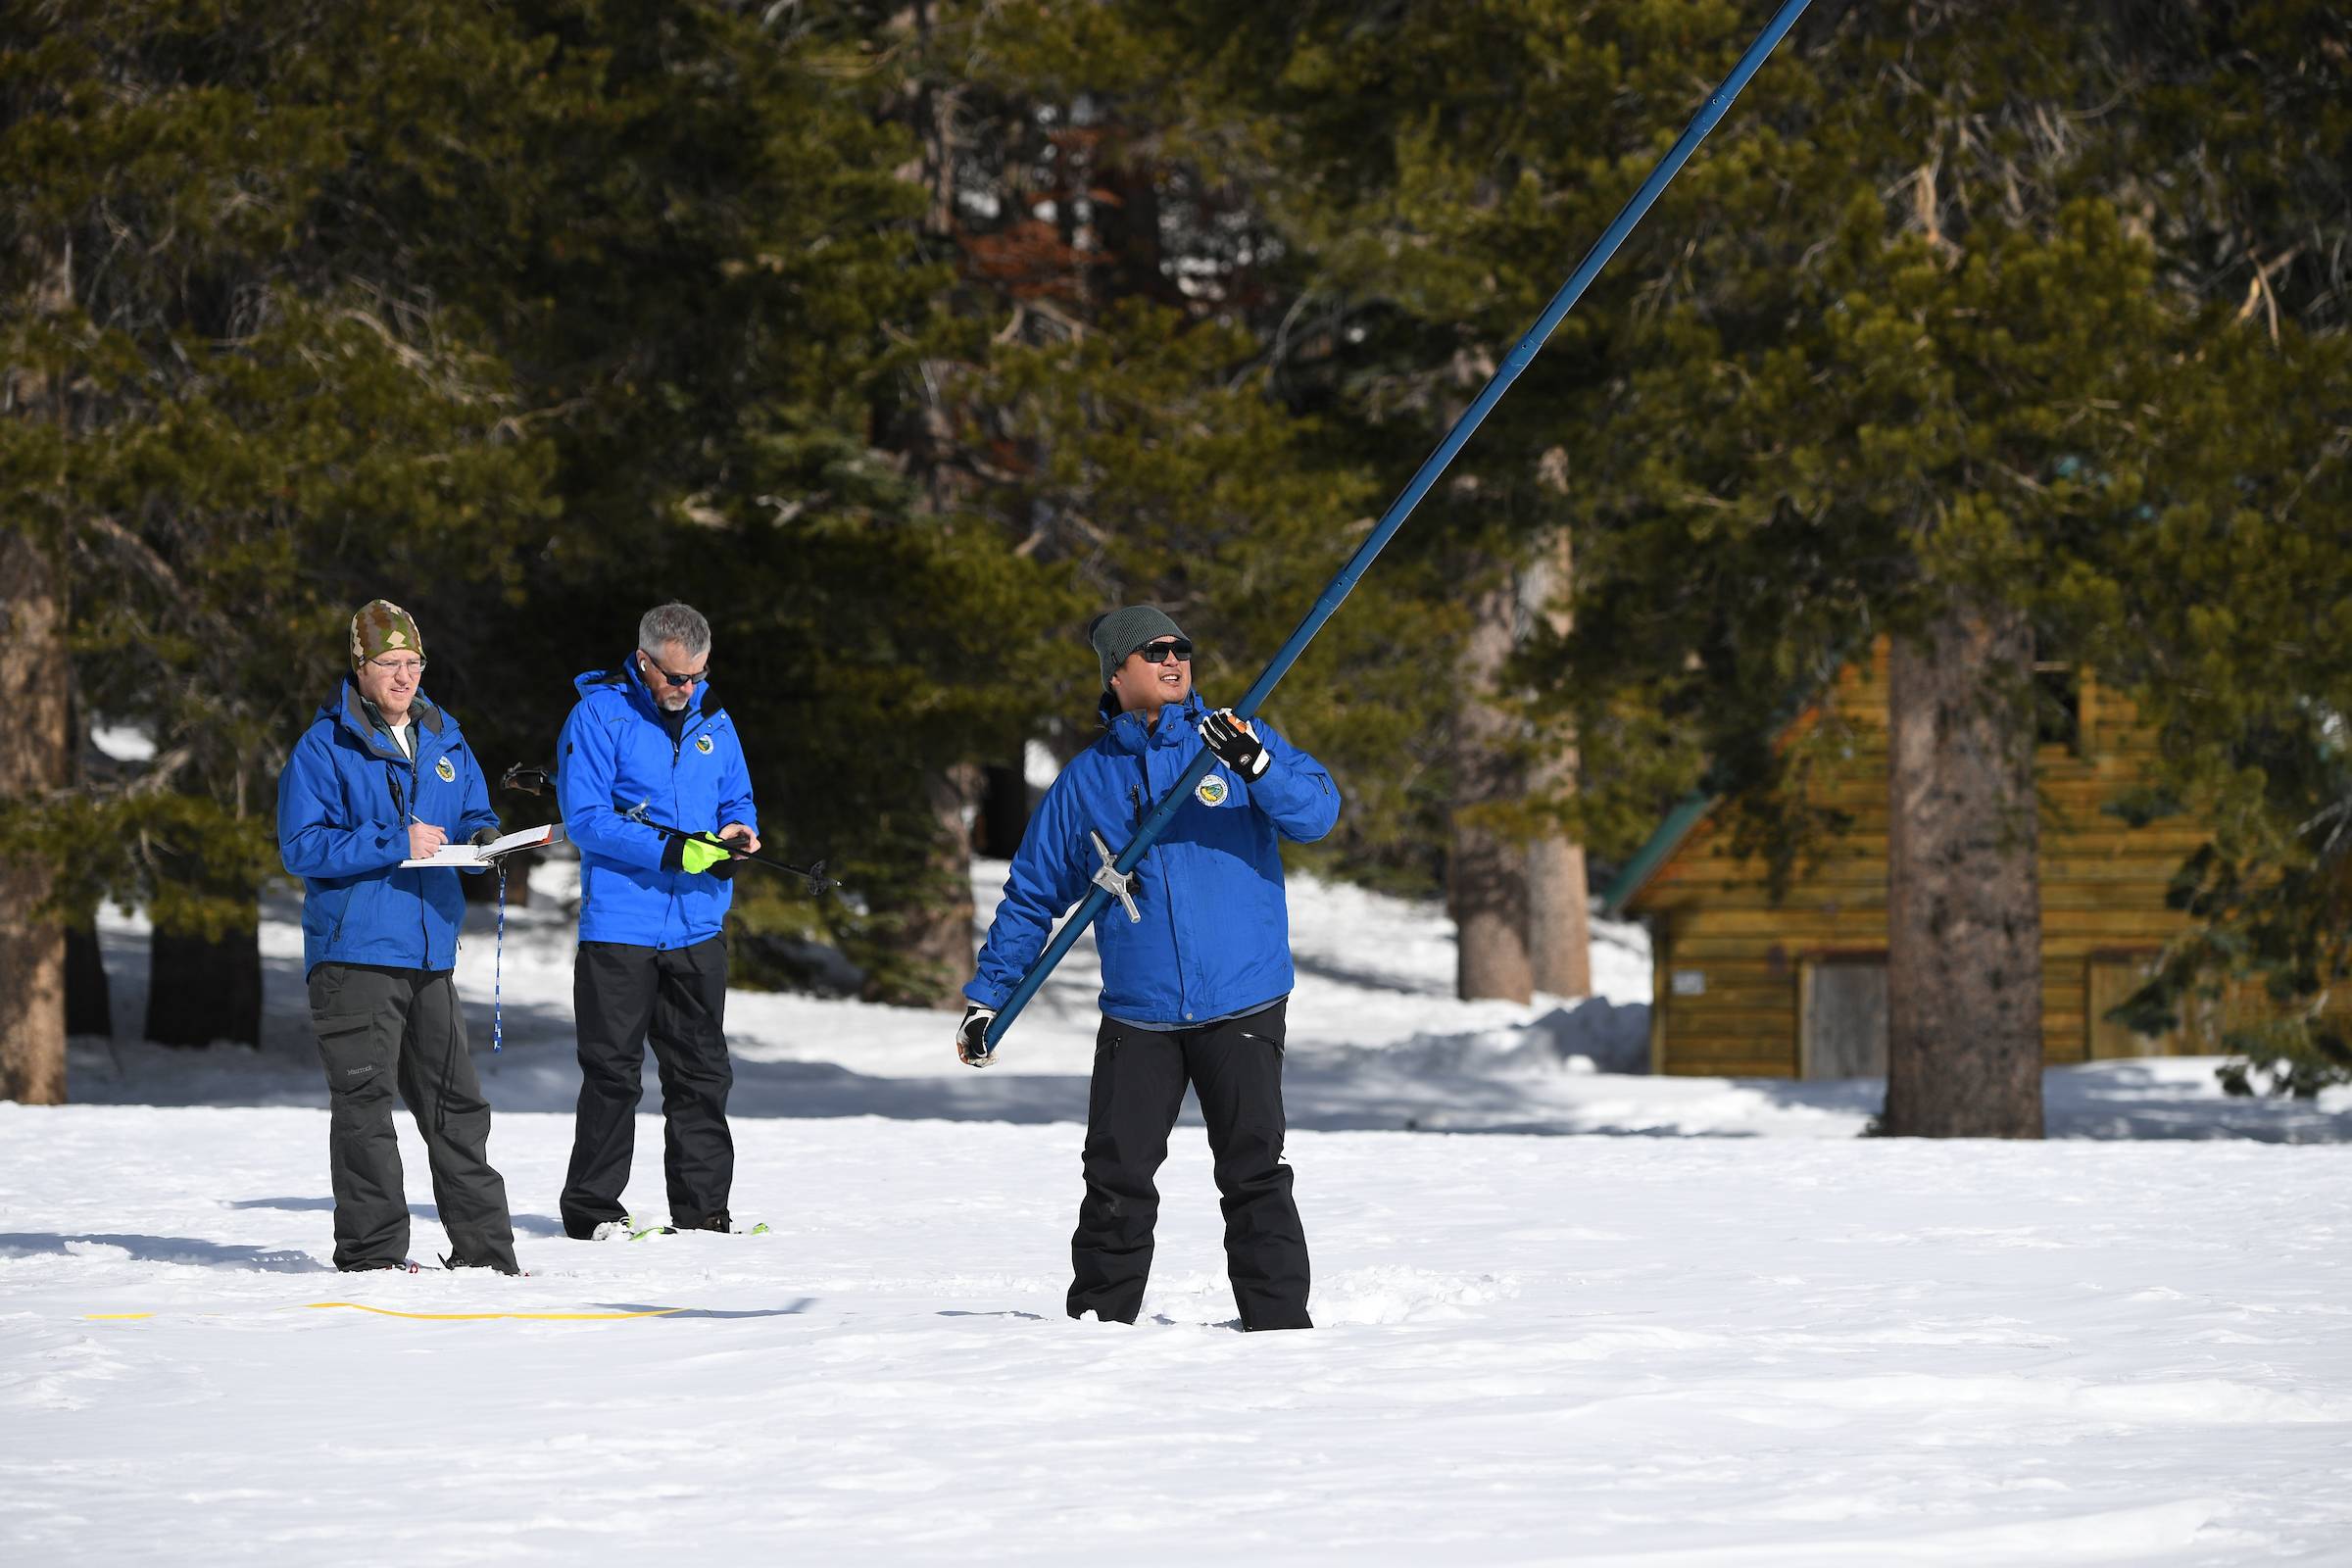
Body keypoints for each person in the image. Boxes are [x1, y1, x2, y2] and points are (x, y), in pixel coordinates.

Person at [959, 606, 1340, 1330]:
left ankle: (1280, 1330)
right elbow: (1033, 893)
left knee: (1254, 1172)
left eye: (1182, 649)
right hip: (1140, 1012)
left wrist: (1256, 767)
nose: (1173, 660)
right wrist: (990, 998)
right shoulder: (1086, 782)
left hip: (1243, 999)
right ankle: (1099, 1327)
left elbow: (1317, 814)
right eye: (1153, 651)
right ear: (1116, 672)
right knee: (1116, 1177)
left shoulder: (1234, 738)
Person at [275, 600, 520, 1275]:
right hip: (354, 956)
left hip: (429, 950)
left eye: (413, 662)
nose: (404, 676)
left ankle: (486, 1255)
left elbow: (473, 808)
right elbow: (301, 846)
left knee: (458, 1108)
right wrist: (392, 840)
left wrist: (488, 838)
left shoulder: (444, 735)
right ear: (360, 667)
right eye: (390, 663)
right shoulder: (323, 746)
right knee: (365, 1106)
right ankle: (373, 1255)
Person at [555, 601, 760, 1240]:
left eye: (697, 675)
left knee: (702, 1074)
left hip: (698, 926)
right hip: (621, 928)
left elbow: (738, 795)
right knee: (614, 1074)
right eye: (675, 677)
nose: (687, 688)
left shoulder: (713, 718)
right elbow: (586, 818)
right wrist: (669, 849)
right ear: (644, 662)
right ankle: (592, 1210)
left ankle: (703, 1213)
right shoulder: (598, 716)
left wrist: (739, 831)